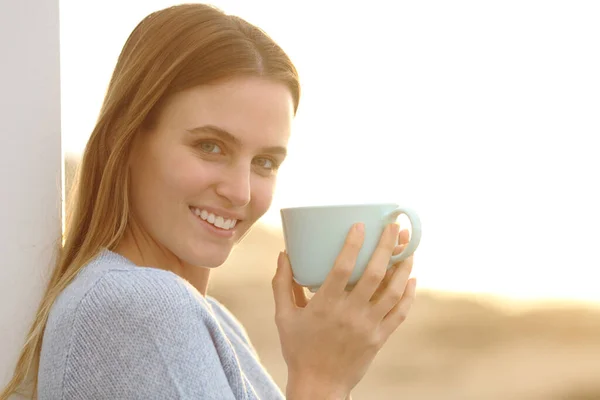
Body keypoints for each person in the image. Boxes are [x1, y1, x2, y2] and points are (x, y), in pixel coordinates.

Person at [1, 4, 416, 400]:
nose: (241, 192)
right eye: (210, 146)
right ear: (123, 142)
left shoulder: (214, 321)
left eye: (265, 162)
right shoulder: (137, 306)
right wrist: (321, 380)